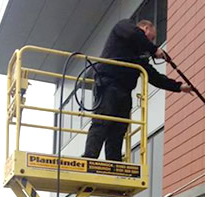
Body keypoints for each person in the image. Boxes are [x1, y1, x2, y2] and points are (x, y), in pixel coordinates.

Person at [82, 19, 192, 161]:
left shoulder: (138, 56)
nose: (151, 42)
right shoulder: (123, 27)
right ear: (145, 28)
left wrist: (178, 86)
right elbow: (134, 35)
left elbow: (154, 77)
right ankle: (89, 158)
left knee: (119, 129)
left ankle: (113, 162)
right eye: (151, 38)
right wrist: (154, 49)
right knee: (102, 122)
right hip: (108, 84)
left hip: (124, 91)